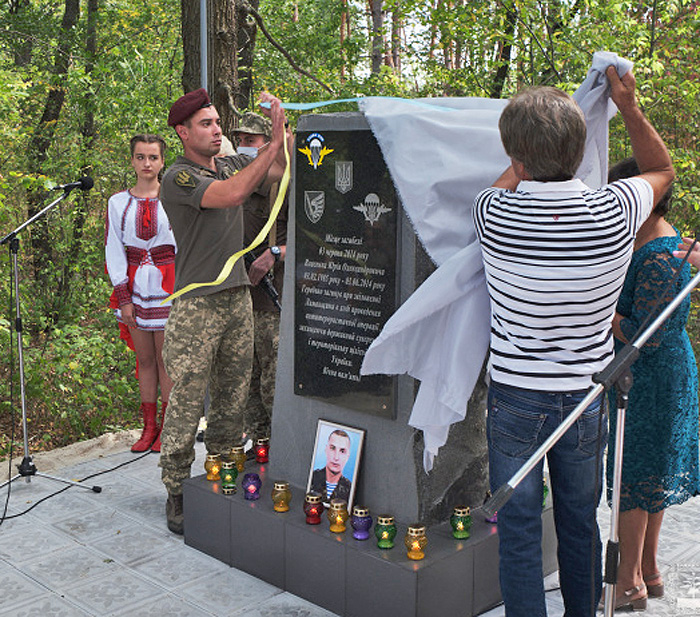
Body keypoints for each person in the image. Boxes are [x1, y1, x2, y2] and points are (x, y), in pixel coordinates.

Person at [471, 66, 674, 617]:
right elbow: (660, 168)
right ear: (582, 146)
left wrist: (522, 161)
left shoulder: (493, 214)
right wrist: (626, 105)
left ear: (515, 156)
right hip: (585, 397)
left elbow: (505, 182)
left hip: (516, 397)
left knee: (516, 528)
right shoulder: (615, 213)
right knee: (580, 523)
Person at [158, 88, 288, 535]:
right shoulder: (178, 177)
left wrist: (282, 130)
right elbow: (233, 195)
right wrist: (270, 144)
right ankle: (176, 488)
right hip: (198, 304)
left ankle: (221, 473)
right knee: (189, 398)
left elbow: (277, 170)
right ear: (183, 132)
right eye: (206, 125)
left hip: (237, 296)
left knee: (233, 395)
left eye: (217, 123)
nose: (216, 131)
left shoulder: (231, 161)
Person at [606, 157, 699, 610]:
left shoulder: (660, 254)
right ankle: (648, 570)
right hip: (660, 372)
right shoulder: (654, 239)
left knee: (635, 477)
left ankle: (627, 584)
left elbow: (648, 332)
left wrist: (602, 314)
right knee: (649, 476)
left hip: (651, 376)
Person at [105, 134, 176, 454]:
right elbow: (113, 249)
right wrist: (123, 296)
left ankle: (169, 427)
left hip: (168, 285)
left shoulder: (175, 198)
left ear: (163, 161)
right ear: (131, 160)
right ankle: (148, 428)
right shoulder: (117, 202)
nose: (147, 164)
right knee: (145, 358)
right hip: (134, 287)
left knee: (166, 360)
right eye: (140, 157)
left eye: (153, 157)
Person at [234, 111, 288, 443]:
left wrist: (277, 252)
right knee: (247, 382)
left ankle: (284, 448)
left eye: (250, 141)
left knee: (273, 384)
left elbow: (311, 238)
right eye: (240, 140)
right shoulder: (234, 182)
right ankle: (260, 445)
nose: (243, 147)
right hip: (240, 299)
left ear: (269, 143)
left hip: (273, 300)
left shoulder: (284, 183)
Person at [310, 429, 352, 503]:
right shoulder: (312, 478)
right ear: (326, 450)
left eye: (342, 451)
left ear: (347, 456)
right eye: (332, 448)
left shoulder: (350, 489)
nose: (336, 457)